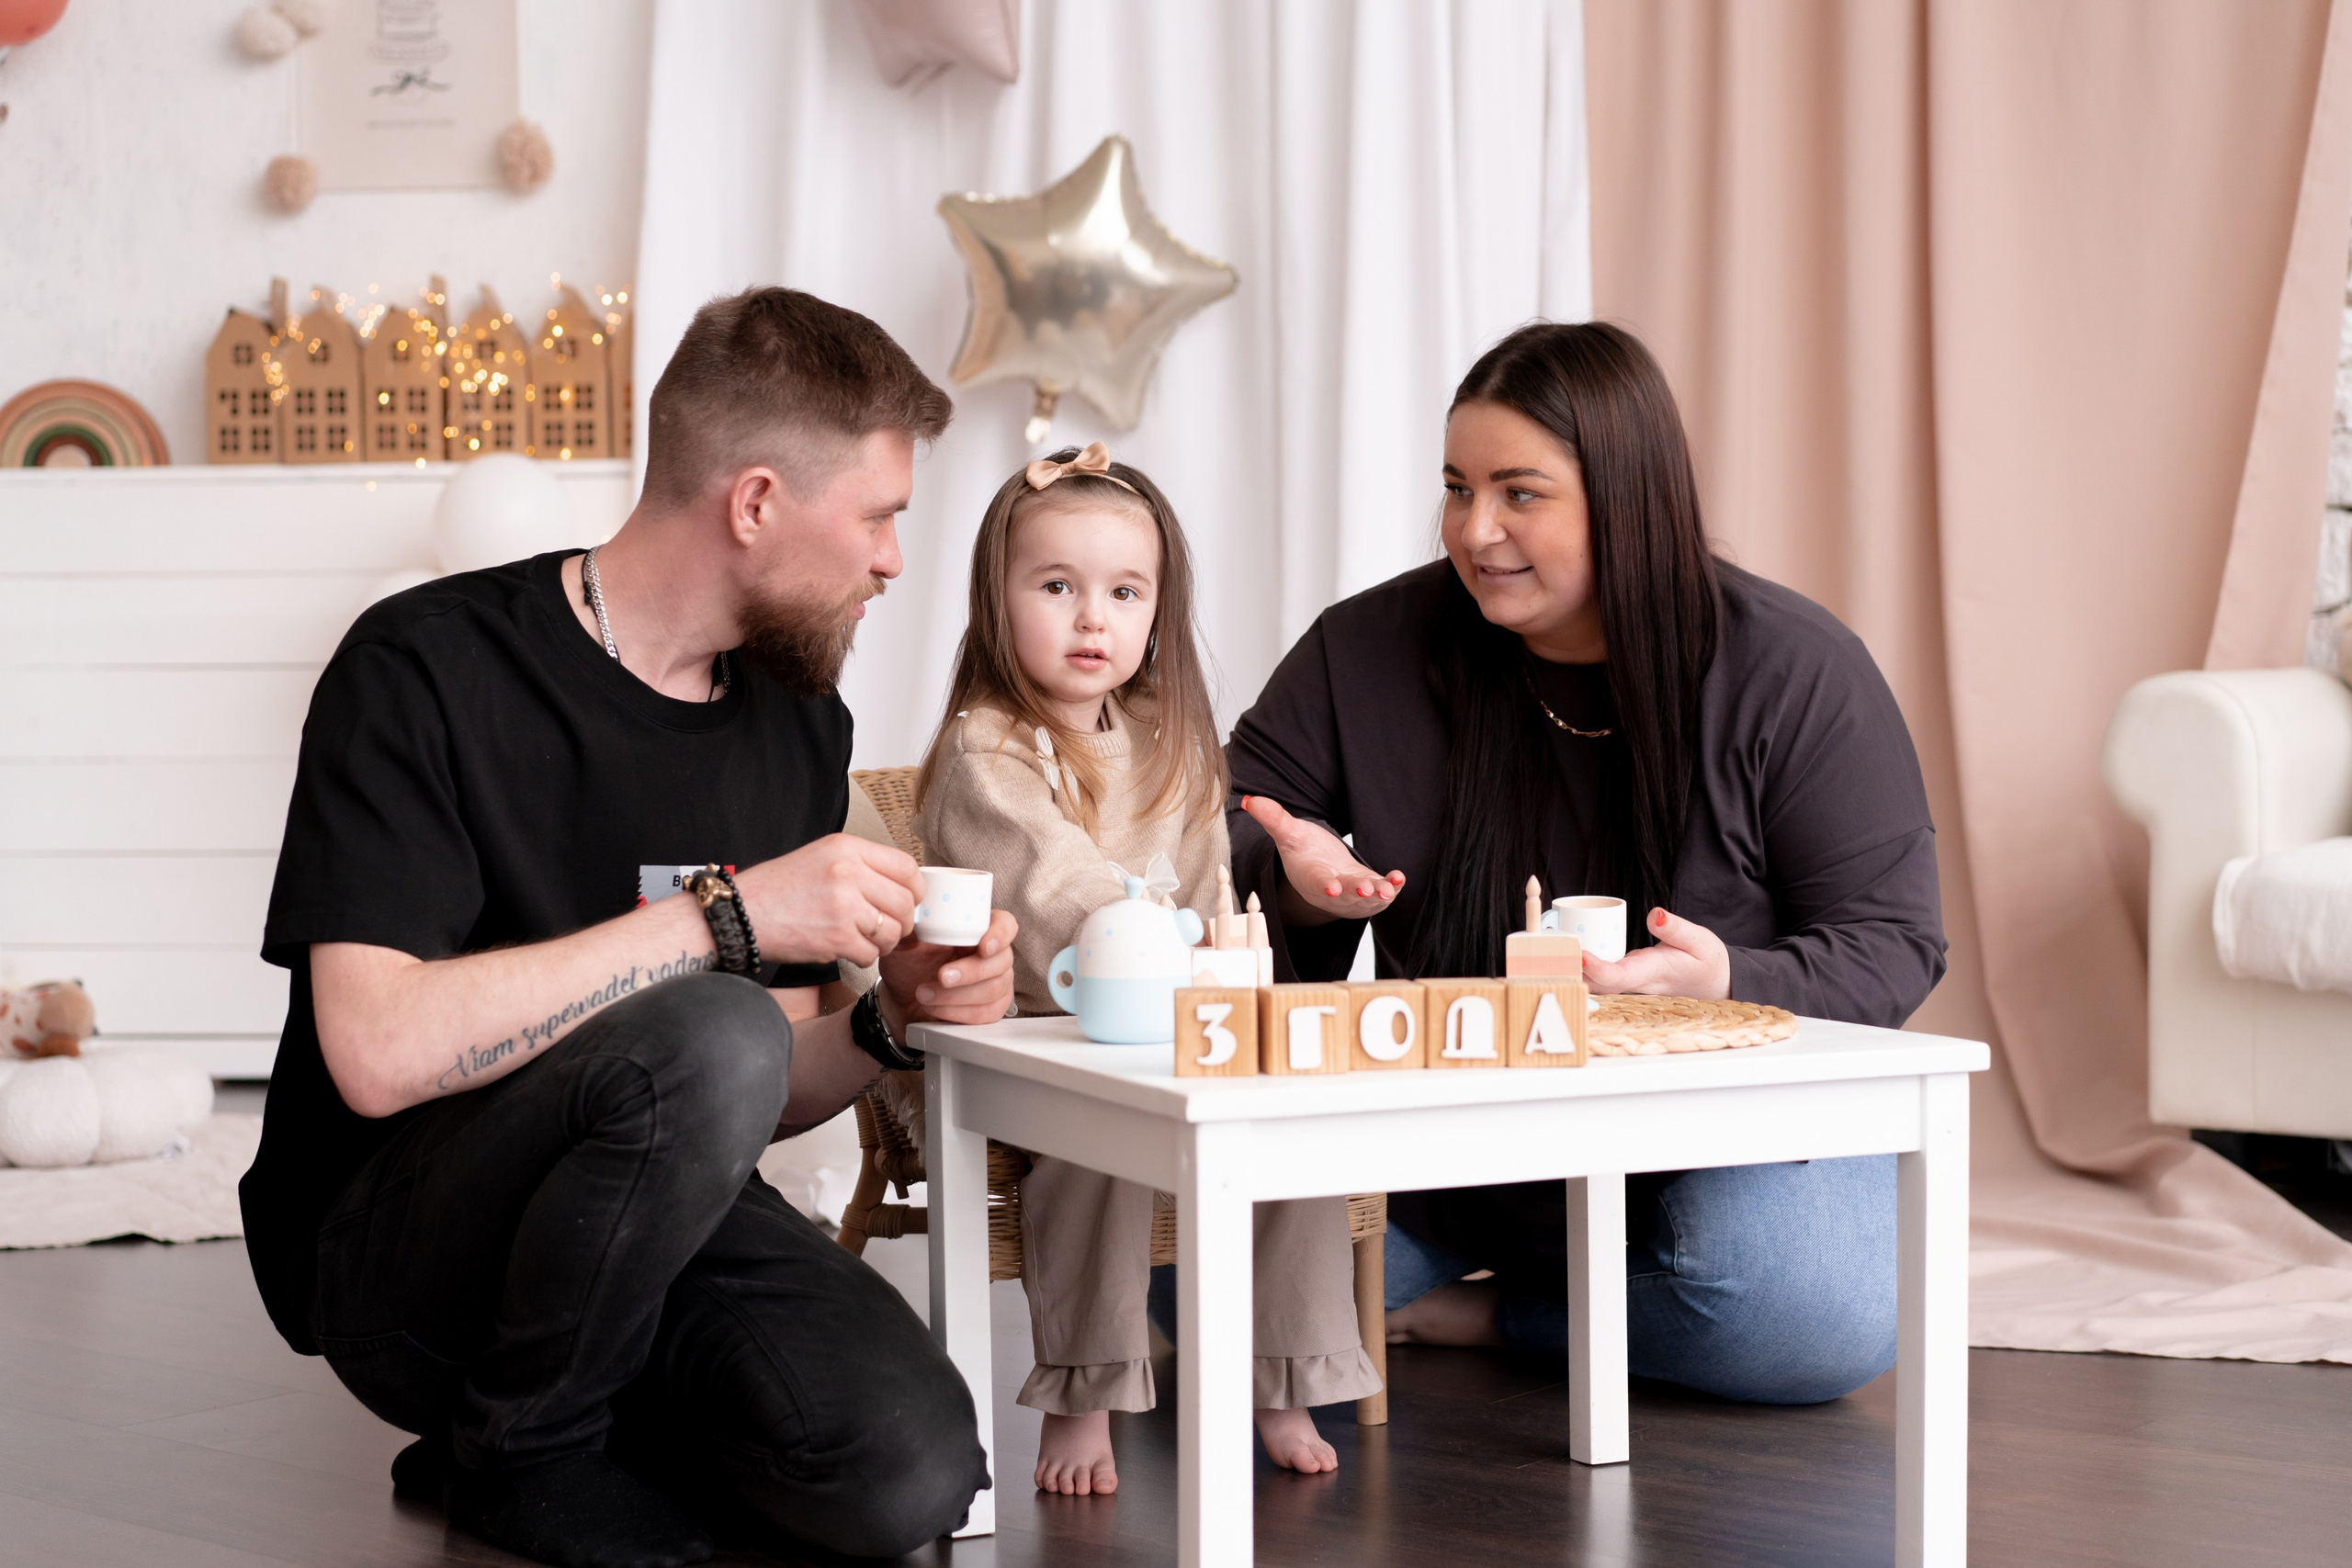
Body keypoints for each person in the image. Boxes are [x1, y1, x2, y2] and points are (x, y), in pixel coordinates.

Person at [239, 288, 1020, 1568]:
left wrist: (891, 1017)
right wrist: (723, 916)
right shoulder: (422, 668)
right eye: (880, 517)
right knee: (709, 1021)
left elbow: (760, 1081)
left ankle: (575, 1419)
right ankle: (523, 1447)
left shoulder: (794, 722)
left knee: (911, 1475)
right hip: (404, 1258)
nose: (892, 558)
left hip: (655, 1232)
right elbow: (373, 1052)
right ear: (756, 502)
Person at [1227, 321, 1946, 1404]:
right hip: (1461, 1132)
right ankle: (1583, 1293)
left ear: (1625, 495)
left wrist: (1724, 987)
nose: (1475, 531)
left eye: (1520, 493)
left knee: (1807, 1323)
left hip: (1726, 1132)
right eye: (1457, 488)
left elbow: (1893, 943)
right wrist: (1297, 885)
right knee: (1192, 1296)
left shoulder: (1794, 670)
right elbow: (1222, 832)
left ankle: (1504, 1316)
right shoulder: (1366, 649)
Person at [913, 444, 1381, 1496]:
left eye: (1123, 593)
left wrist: (1227, 974)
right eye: (1057, 588)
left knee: (1289, 1127)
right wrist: (1169, 957)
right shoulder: (990, 752)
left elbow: (1216, 888)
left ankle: (1284, 1371)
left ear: (1156, 609)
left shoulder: (1171, 741)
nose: (1094, 621)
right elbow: (1055, 894)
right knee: (1096, 1154)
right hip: (1046, 1037)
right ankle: (1086, 1389)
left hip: (1178, 1031)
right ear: (998, 603)